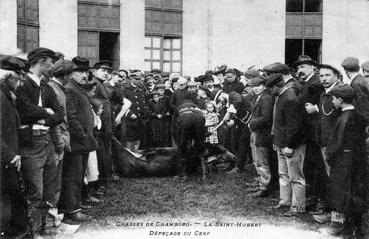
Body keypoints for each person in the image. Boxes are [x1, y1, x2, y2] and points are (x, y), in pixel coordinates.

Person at [16, 47, 63, 233]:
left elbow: (60, 114)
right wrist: (46, 113)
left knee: (48, 188)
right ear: (42, 62)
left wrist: (43, 118)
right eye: (51, 62)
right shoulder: (22, 84)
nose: (53, 66)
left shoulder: (46, 87)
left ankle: (42, 227)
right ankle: (33, 232)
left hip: (47, 141)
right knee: (35, 190)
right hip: (30, 144)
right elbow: (24, 111)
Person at [319, 85, 367, 238]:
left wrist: (329, 156)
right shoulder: (358, 115)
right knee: (355, 194)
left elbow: (336, 144)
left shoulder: (343, 118)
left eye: (333, 98)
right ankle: (356, 229)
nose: (332, 101)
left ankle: (341, 228)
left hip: (343, 163)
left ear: (340, 100)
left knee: (341, 194)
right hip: (356, 161)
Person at [59, 56, 97, 222]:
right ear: (71, 73)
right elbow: (71, 117)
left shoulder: (79, 88)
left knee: (79, 174)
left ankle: (76, 204)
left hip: (84, 140)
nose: (84, 75)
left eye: (86, 72)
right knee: (73, 176)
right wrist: (81, 134)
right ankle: (72, 209)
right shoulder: (70, 89)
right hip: (76, 141)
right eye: (79, 71)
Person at [266, 73, 307, 217]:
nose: (269, 91)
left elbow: (294, 126)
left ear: (276, 86)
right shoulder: (281, 97)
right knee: (283, 174)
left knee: (295, 176)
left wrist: (290, 145)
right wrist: (277, 141)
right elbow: (279, 123)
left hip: (291, 145)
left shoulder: (289, 98)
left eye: (270, 88)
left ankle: (298, 206)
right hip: (282, 143)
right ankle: (285, 201)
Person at [294, 55, 326, 213]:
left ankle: (322, 201)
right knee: (311, 166)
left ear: (313, 68)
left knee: (319, 167)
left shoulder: (317, 83)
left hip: (316, 133)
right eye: (298, 68)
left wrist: (316, 108)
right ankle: (315, 196)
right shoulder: (308, 83)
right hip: (309, 133)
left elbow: (325, 103)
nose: (300, 70)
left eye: (303, 67)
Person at [0, 56, 27, 238]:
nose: (21, 82)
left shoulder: (7, 95)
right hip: (5, 158)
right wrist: (10, 154)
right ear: (9, 77)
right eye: (18, 78)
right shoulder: (1, 97)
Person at [247, 76, 273, 197]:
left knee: (262, 161)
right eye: (253, 86)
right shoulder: (260, 97)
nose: (256, 89)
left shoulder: (266, 98)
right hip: (256, 132)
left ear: (264, 86)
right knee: (256, 159)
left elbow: (266, 118)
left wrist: (252, 123)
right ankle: (260, 182)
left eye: (258, 86)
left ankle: (264, 187)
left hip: (262, 133)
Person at [91, 60, 114, 184]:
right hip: (100, 125)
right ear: (95, 71)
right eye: (103, 70)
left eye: (108, 71)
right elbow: (95, 104)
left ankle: (104, 177)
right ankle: (101, 179)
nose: (106, 73)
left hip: (105, 124)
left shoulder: (101, 84)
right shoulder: (95, 83)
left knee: (104, 151)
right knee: (101, 153)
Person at [176, 100, 207, 179]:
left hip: (184, 119)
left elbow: (176, 127)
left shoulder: (179, 109)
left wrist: (180, 142)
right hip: (199, 119)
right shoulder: (198, 109)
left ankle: (183, 175)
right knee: (200, 147)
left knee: (181, 148)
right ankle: (204, 174)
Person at [122, 72, 151, 151]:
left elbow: (145, 101)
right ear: (131, 79)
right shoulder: (125, 89)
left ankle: (136, 153)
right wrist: (129, 113)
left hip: (140, 118)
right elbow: (122, 103)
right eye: (136, 79)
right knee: (129, 138)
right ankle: (130, 155)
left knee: (138, 137)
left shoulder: (141, 88)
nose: (138, 81)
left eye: (139, 79)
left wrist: (146, 112)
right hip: (130, 118)